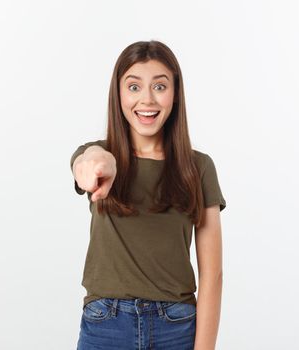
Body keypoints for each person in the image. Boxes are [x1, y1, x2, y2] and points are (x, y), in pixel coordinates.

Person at [70, 40, 227, 350]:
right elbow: (87, 163)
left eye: (159, 86)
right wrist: (99, 163)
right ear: (118, 94)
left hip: (176, 326)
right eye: (133, 87)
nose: (146, 99)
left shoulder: (199, 167)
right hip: (106, 326)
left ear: (175, 94)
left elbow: (213, 275)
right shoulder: (99, 156)